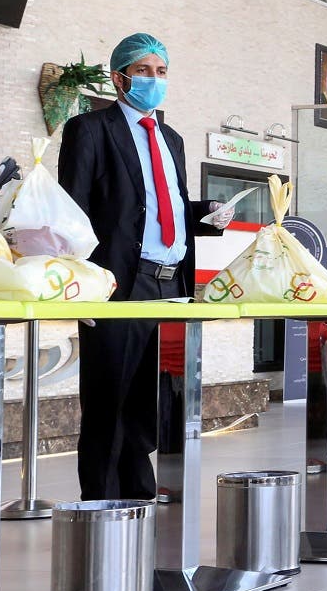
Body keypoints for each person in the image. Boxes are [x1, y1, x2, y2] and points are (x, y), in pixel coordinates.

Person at [58, 32, 234, 501]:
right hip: (120, 281)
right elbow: (72, 209)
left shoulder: (171, 139)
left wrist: (207, 213)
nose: (154, 80)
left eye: (162, 72)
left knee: (149, 399)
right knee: (109, 397)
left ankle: (139, 494)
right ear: (120, 78)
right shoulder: (91, 129)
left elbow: (163, 204)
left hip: (170, 282)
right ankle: (102, 504)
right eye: (144, 71)